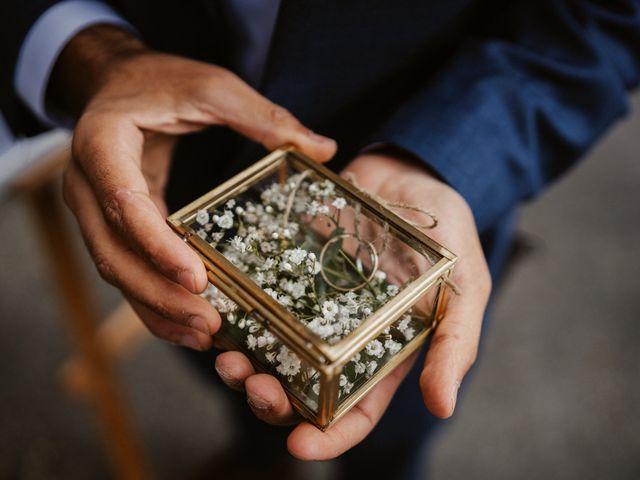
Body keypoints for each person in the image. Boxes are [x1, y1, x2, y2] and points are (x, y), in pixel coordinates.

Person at [2, 1, 638, 478]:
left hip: (426, 135)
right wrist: (93, 56)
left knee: (396, 425)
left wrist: (439, 161)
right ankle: (256, 458)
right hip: (189, 157)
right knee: (228, 364)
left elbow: (600, 23)